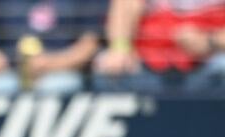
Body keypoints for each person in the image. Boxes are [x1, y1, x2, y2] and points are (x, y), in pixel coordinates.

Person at [0, 0, 105, 94]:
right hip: (9, 70)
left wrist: (51, 63)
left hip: (63, 71)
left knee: (58, 86)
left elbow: (90, 43)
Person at [94, 0, 225, 90]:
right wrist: (120, 48)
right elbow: (125, 4)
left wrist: (210, 41)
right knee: (108, 66)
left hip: (210, 59)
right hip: (149, 58)